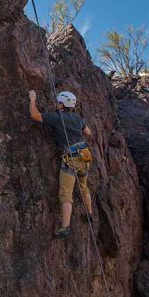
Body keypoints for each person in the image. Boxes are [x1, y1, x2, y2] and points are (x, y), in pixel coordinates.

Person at [28, 90, 93, 238]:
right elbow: (88, 132)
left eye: (58, 102)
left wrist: (32, 99)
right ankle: (90, 214)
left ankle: (65, 227)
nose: (56, 104)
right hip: (84, 156)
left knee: (66, 195)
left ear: (62, 104)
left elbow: (35, 115)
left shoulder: (57, 118)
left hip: (71, 158)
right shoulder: (77, 117)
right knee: (84, 187)